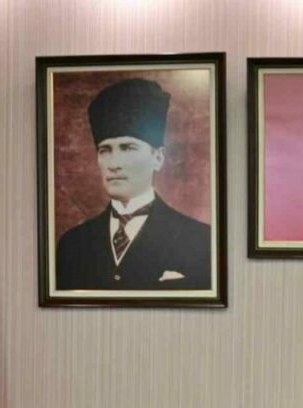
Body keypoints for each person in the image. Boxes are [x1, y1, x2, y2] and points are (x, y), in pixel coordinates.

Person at [56, 78, 211, 290]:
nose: (114, 164)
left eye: (128, 148)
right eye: (105, 150)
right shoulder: (73, 244)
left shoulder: (200, 240)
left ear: (158, 157)